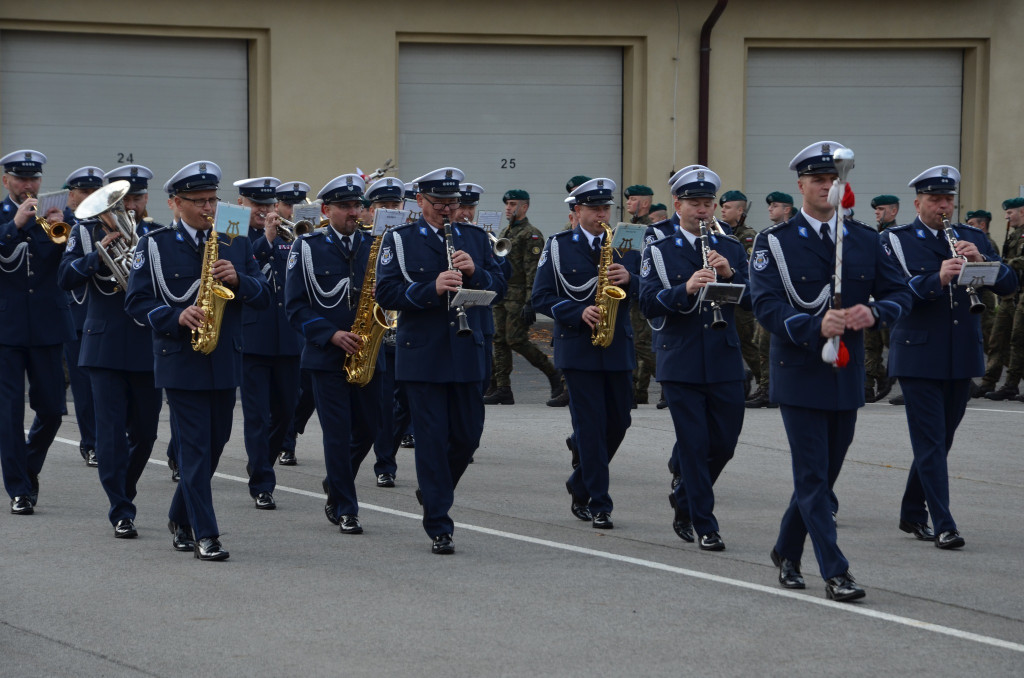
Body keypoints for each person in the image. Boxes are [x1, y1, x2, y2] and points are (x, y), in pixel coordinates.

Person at [748, 141, 911, 601]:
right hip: (799, 370)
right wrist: (812, 324)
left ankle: (785, 549)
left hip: (846, 374)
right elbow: (764, 305)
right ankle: (835, 571)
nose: (826, 186)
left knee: (825, 475)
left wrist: (874, 314)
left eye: (833, 180)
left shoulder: (864, 239)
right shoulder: (774, 242)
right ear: (800, 186)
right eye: (817, 180)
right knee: (814, 477)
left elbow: (901, 294)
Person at [125, 160, 271, 560]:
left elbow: (263, 296)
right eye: (199, 201)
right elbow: (136, 302)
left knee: (217, 442)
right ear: (175, 204)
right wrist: (176, 316)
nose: (209, 208)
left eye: (213, 199)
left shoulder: (234, 234)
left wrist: (240, 280)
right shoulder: (154, 244)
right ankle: (205, 533)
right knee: (194, 449)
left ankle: (178, 515)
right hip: (180, 357)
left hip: (224, 355)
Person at [885, 165, 1016, 550]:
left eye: (948, 200)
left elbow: (1010, 285)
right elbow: (897, 292)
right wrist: (936, 279)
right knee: (929, 441)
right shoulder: (896, 240)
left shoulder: (971, 236)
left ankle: (911, 512)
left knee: (940, 441)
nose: (943, 206)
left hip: (962, 354)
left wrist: (983, 263)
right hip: (918, 355)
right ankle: (943, 522)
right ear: (918, 203)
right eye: (935, 200)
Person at [375, 167, 505, 553]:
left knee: (468, 437)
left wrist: (475, 271)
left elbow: (500, 283)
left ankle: (434, 489)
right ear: (421, 202)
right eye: (439, 203)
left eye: (454, 203)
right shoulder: (399, 240)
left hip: (469, 351)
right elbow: (386, 292)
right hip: (423, 354)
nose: (449, 210)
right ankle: (439, 522)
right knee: (431, 441)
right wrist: (429, 288)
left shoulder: (476, 238)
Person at [639, 167, 749, 550]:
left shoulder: (730, 246)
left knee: (725, 443)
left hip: (724, 357)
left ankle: (684, 497)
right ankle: (704, 522)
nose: (702, 211)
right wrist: (685, 288)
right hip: (681, 359)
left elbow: (754, 298)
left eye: (708, 204)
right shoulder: (659, 249)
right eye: (694, 204)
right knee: (693, 443)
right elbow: (648, 302)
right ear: (678, 205)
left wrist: (729, 273)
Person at [58, 164, 164, 538]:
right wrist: (97, 256)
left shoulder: (155, 236)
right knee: (110, 433)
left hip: (146, 346)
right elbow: (64, 277)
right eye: (125, 199)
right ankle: (120, 507)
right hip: (102, 345)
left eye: (136, 199)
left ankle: (125, 488)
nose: (130, 207)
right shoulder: (85, 233)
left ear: (146, 199)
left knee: (147, 434)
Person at [532, 178, 637, 530]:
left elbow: (649, 291)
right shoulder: (558, 245)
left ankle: (579, 483)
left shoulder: (627, 241)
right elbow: (541, 297)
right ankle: (599, 502)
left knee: (619, 422)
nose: (602, 215)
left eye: (606, 208)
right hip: (578, 348)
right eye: (594, 209)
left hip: (617, 346)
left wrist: (632, 279)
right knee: (590, 428)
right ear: (577, 211)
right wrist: (577, 312)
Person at [285, 173, 381, 533]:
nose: (354, 212)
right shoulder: (307, 247)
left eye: (358, 205)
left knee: (371, 429)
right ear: (326, 210)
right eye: (345, 206)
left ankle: (336, 481)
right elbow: (294, 307)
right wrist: (331, 334)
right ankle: (345, 506)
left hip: (368, 351)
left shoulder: (375, 245)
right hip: (327, 357)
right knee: (337, 434)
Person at [0, 149, 75, 515]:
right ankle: (18, 489)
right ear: (6, 181)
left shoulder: (57, 217)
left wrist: (63, 230)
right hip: (6, 330)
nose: (28, 185)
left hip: (47, 327)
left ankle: (28, 467)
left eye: (33, 179)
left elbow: (72, 266)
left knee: (52, 409)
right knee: (8, 413)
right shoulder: (5, 218)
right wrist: (14, 225)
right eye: (20, 178)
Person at [233, 176, 301, 510]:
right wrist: (266, 240)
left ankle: (263, 462)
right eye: (255, 204)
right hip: (252, 336)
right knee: (257, 415)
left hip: (288, 337)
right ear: (241, 203)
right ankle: (262, 480)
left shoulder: (292, 234)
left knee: (286, 413)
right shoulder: (232, 233)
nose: (263, 210)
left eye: (268, 204)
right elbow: (235, 273)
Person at [485, 189, 562, 405]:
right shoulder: (506, 232)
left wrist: (531, 301)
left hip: (519, 297)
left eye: (512, 204)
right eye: (507, 204)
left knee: (516, 340)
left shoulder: (532, 234)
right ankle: (503, 388)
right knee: (499, 340)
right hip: (503, 294)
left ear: (524, 207)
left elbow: (533, 271)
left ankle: (554, 374)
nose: (508, 208)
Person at [364, 176, 409, 487]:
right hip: (376, 335)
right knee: (379, 405)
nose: (390, 210)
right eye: (383, 206)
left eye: (395, 205)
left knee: (405, 402)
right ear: (372, 211)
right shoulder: (363, 241)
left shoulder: (411, 241)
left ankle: (387, 453)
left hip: (407, 333)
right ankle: (385, 464)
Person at [60, 166, 104, 467]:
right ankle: (91, 442)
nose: (89, 197)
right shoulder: (64, 224)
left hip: (111, 318)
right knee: (84, 387)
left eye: (94, 191)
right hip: (76, 314)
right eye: (83, 192)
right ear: (71, 195)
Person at [274, 180, 314, 466]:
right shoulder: (272, 235)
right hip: (279, 319)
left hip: (307, 320)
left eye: (298, 206)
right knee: (289, 389)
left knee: (308, 386)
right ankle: (286, 443)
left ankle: (293, 427)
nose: (292, 212)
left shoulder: (311, 235)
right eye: (288, 205)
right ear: (278, 207)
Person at [746, 191, 795, 408]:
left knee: (771, 345)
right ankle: (767, 387)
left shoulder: (793, 235)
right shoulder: (767, 235)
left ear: (787, 209)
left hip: (787, 302)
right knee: (761, 345)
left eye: (774, 206)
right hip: (769, 299)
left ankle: (771, 388)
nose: (769, 209)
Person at [983, 197, 1024, 401]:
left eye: (1010, 213)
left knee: (1018, 340)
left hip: (1021, 294)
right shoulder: (1014, 235)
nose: (1006, 216)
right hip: (1011, 295)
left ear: (1022, 212)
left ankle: (1011, 384)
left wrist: (1001, 266)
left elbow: (1019, 262)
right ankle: (990, 382)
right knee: (997, 339)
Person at [864, 194, 901, 403]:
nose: (877, 213)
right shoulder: (876, 234)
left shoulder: (896, 236)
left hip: (889, 297)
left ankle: (896, 376)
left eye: (881, 209)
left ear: (893, 211)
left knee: (893, 342)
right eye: (876, 210)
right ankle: (868, 385)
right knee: (870, 342)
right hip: (872, 296)